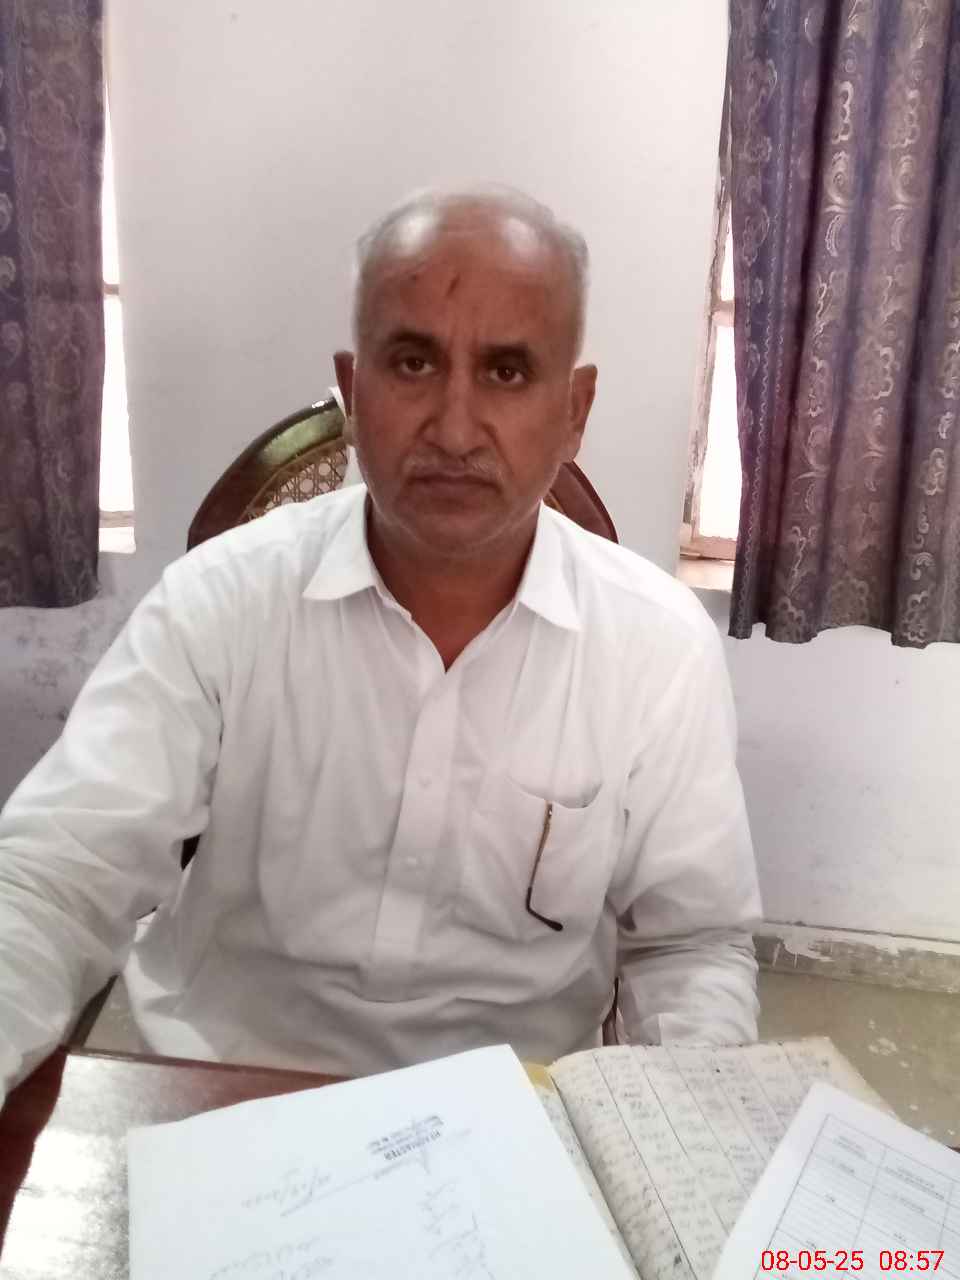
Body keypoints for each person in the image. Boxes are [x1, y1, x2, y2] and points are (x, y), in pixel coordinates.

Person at [0, 185, 762, 1099]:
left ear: (574, 410)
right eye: (412, 362)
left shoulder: (657, 648)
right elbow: (57, 876)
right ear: (354, 391)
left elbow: (690, 947)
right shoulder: (222, 601)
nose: (454, 428)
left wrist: (680, 1131)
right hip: (225, 1093)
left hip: (515, 1115)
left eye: (507, 371)